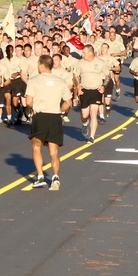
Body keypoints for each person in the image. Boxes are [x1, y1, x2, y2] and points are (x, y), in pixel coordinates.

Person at [26, 55, 72, 190]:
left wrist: (33, 108)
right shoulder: (60, 81)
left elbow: (29, 101)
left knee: (36, 147)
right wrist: (60, 110)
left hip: (40, 116)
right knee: (54, 151)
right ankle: (55, 177)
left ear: (41, 65)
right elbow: (68, 102)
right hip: (55, 117)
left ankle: (40, 176)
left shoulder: (33, 80)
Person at [73, 45, 107, 143]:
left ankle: (91, 137)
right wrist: (78, 86)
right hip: (85, 90)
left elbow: (107, 75)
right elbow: (76, 75)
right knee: (84, 114)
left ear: (90, 53)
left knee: (93, 114)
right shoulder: (80, 63)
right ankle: (85, 123)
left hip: (96, 90)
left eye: (84, 53)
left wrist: (103, 86)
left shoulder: (100, 63)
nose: (82, 54)